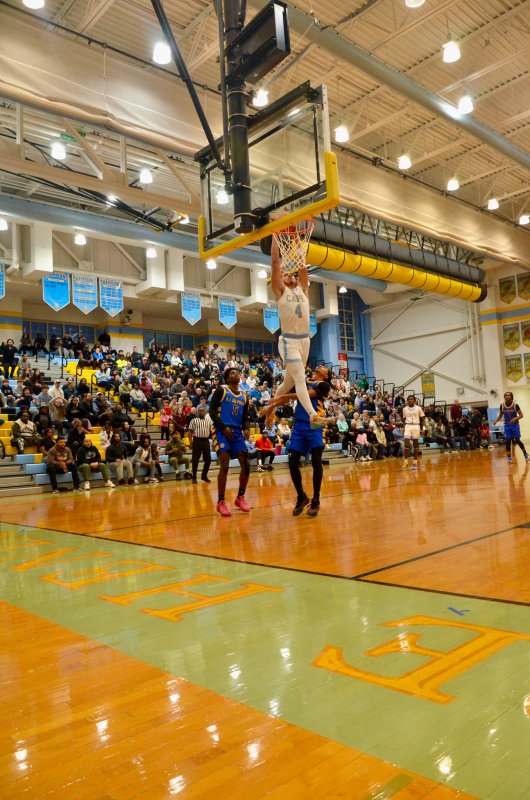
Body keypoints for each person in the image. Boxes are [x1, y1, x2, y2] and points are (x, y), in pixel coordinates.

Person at [266, 237, 327, 428]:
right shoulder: (280, 292)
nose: (288, 274)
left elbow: (302, 265)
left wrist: (298, 238)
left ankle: (270, 412)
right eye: (284, 275)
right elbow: (276, 263)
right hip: (289, 341)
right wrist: (276, 236)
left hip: (304, 341)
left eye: (290, 274)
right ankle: (313, 416)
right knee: (300, 377)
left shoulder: (302, 289)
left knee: (287, 383)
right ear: (278, 281)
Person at [285, 366, 333, 517]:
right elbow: (288, 388)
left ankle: (316, 499)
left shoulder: (324, 385)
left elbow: (303, 395)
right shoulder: (303, 381)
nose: (319, 367)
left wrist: (282, 398)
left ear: (326, 376)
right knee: (292, 461)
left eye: (323, 368)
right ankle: (301, 496)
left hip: (315, 423)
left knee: (316, 460)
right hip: (299, 423)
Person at [209, 366, 251, 517]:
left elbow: (245, 418)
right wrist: (223, 427)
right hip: (220, 430)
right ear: (227, 378)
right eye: (232, 373)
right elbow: (211, 411)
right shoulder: (221, 390)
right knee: (225, 463)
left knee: (246, 464)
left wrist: (246, 428)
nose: (236, 374)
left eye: (237, 373)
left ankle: (240, 497)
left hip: (236, 432)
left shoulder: (245, 397)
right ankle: (221, 502)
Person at [493, 392, 529, 464]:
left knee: (517, 440)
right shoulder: (502, 406)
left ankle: (525, 454)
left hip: (515, 425)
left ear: (511, 397)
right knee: (508, 440)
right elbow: (500, 415)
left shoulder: (515, 405)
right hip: (507, 425)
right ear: (504, 397)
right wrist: (496, 420)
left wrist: (514, 419)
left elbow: (521, 415)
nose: (507, 396)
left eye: (509, 395)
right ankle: (509, 457)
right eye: (506, 395)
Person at [188, 407, 212, 484]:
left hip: (206, 441)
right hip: (197, 440)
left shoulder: (208, 421)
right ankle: (194, 477)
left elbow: (211, 431)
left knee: (208, 459)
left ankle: (204, 475)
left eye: (203, 411)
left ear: (205, 412)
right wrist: (190, 442)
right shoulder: (194, 420)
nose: (202, 412)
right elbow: (189, 431)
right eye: (200, 411)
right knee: (195, 460)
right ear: (198, 412)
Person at [401, 394, 426, 470]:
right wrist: (404, 428)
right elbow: (404, 419)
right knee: (406, 444)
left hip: (416, 426)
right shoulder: (404, 409)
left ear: (414, 401)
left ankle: (415, 463)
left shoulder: (418, 408)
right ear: (407, 401)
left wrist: (423, 428)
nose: (410, 400)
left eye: (412, 399)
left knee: (415, 446)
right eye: (409, 399)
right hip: (408, 426)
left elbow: (423, 419)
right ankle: (405, 462)